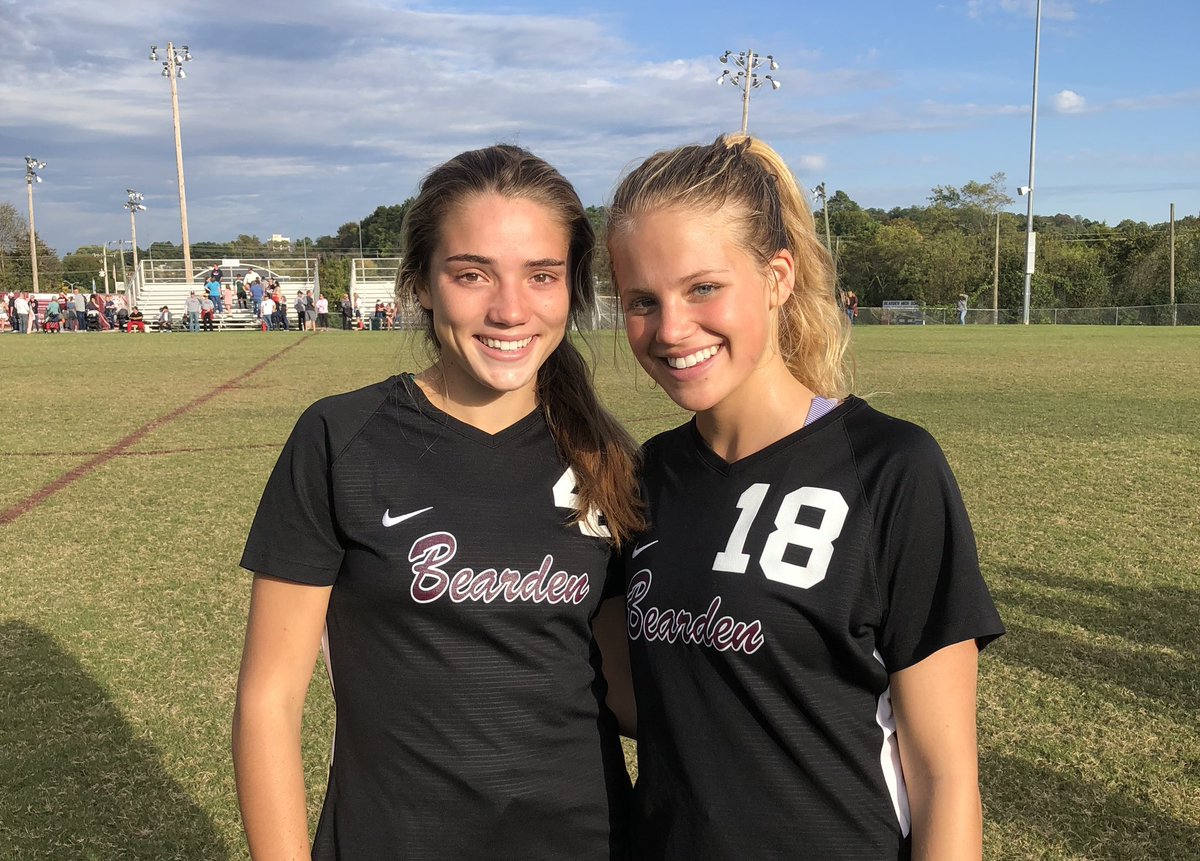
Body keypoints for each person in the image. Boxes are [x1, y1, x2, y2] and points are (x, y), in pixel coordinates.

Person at [233, 145, 642, 860]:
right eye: (471, 274)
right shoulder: (339, 439)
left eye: (541, 275)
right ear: (422, 284)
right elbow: (269, 702)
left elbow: (626, 688)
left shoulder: (610, 460)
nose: (509, 308)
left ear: (571, 289)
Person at [605, 134, 1005, 860]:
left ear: (778, 276)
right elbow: (646, 700)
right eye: (641, 300)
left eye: (703, 287)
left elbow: (945, 776)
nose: (669, 329)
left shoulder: (891, 469)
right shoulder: (643, 479)